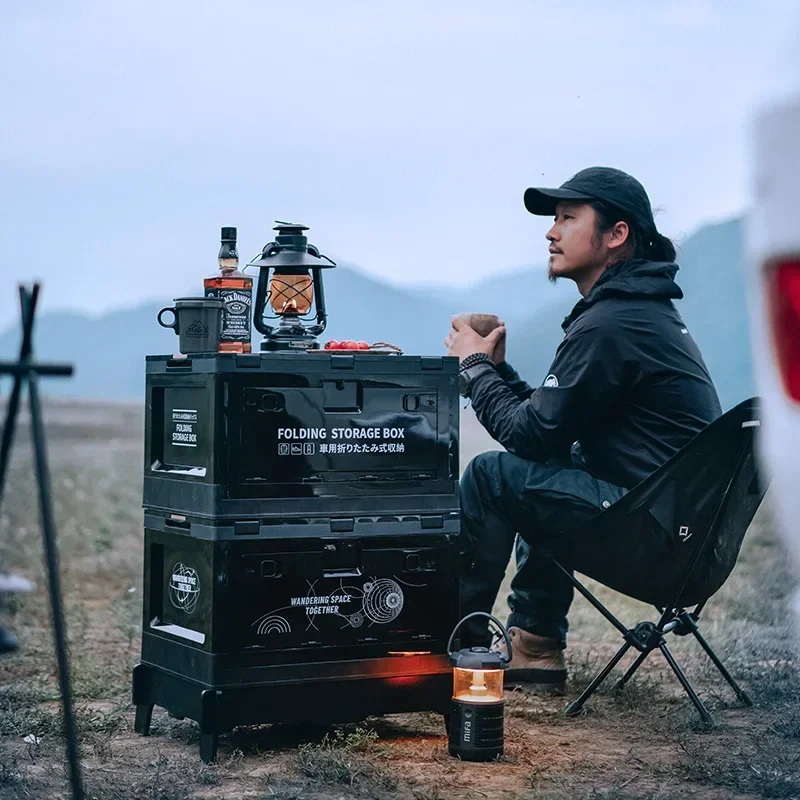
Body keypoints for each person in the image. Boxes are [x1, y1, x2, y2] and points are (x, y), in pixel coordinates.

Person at [444, 167, 722, 693]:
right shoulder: (636, 315)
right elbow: (547, 431)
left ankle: (447, 641)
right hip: (684, 542)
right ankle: (534, 645)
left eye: (568, 218)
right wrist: (497, 372)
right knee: (547, 469)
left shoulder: (613, 322)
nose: (551, 232)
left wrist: (474, 369)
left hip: (656, 540)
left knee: (490, 477)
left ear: (616, 235)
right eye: (554, 219)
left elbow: (529, 436)